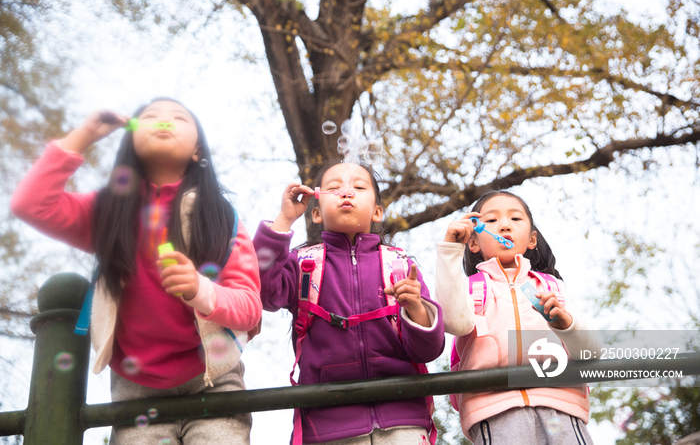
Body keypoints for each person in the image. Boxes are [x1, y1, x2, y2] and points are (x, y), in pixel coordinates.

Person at [11, 98, 262, 444]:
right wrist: (83, 135)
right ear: (131, 141)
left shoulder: (221, 218)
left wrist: (199, 289)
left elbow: (249, 307)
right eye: (150, 117)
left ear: (197, 150)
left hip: (212, 377)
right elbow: (29, 204)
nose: (163, 121)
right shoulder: (108, 213)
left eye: (178, 118)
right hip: (136, 386)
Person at [253, 160, 444, 445]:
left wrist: (416, 308)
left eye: (358, 187)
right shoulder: (304, 264)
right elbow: (261, 290)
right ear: (316, 213)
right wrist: (284, 219)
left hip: (402, 420)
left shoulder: (399, 265)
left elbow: (428, 350)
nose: (346, 192)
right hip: (328, 426)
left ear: (377, 211)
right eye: (334, 188)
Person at [436, 190, 595, 444]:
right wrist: (450, 250)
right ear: (474, 243)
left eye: (516, 219)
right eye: (490, 220)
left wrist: (566, 326)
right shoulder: (470, 289)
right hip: (495, 410)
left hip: (562, 406)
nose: (505, 225)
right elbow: (453, 322)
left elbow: (593, 352)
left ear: (532, 239)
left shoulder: (553, 288)